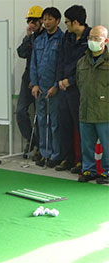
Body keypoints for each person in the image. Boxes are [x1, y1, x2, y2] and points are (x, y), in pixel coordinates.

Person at [56, 5, 91, 173]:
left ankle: (84, 162)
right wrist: (60, 81)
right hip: (64, 88)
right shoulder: (67, 37)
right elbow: (61, 59)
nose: (66, 25)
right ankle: (67, 158)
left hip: (80, 89)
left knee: (81, 127)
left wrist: (70, 81)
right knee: (64, 123)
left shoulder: (90, 38)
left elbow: (87, 66)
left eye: (67, 22)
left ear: (76, 22)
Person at [30, 7, 64, 168]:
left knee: (55, 123)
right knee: (42, 121)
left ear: (57, 21)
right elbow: (33, 64)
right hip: (40, 88)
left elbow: (62, 65)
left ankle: (56, 155)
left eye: (50, 19)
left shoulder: (62, 39)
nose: (46, 22)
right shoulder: (39, 40)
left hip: (55, 89)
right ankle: (44, 153)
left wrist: (56, 84)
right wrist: (34, 83)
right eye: (44, 19)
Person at [76, 25, 109, 184]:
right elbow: (78, 83)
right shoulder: (82, 61)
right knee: (87, 144)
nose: (92, 41)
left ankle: (107, 172)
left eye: (97, 38)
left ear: (105, 41)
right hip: (85, 110)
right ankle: (88, 170)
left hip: (105, 111)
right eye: (90, 38)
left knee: (107, 144)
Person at [16, 5, 44, 160]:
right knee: (20, 111)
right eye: (29, 21)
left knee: (40, 116)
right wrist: (28, 37)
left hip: (41, 80)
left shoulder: (47, 37)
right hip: (27, 79)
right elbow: (21, 53)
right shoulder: (31, 38)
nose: (31, 24)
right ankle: (32, 139)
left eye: (34, 21)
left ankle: (41, 147)